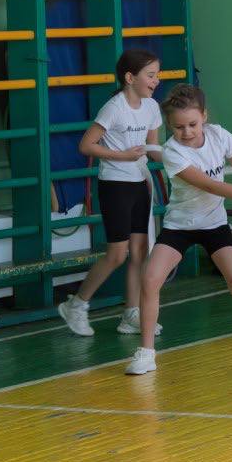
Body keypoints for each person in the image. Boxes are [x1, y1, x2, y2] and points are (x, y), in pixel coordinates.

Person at [124, 85, 232, 378]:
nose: (187, 131)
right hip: (180, 226)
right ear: (170, 125)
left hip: (214, 224)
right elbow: (211, 185)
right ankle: (146, 353)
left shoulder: (219, 135)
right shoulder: (172, 152)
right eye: (179, 127)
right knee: (151, 279)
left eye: (192, 124)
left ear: (203, 116)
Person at [59, 49, 164, 337]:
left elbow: (153, 149)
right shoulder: (114, 107)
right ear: (130, 78)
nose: (156, 81)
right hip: (115, 184)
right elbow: (86, 145)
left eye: (158, 75)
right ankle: (77, 305)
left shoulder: (151, 107)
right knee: (118, 254)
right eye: (151, 75)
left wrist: (182, 160)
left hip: (140, 183)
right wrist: (122, 156)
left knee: (139, 252)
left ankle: (131, 313)